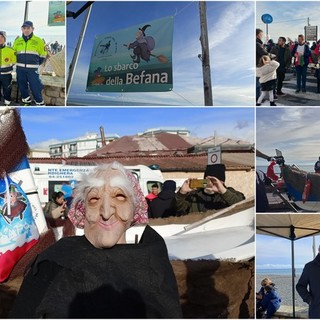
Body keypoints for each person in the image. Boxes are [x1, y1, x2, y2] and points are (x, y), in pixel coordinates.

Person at [9, 162, 182, 318]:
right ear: (82, 211)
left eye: (120, 197)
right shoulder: (54, 262)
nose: (106, 213)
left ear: (134, 209)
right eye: (94, 199)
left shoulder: (152, 261)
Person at [173, 164, 245, 215]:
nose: (209, 183)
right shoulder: (194, 195)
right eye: (207, 180)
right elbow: (179, 209)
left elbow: (242, 205)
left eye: (213, 180)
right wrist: (182, 193)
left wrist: (223, 191)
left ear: (222, 182)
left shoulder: (230, 193)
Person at [13, 21, 47, 106]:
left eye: (28, 28)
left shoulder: (38, 41)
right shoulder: (17, 41)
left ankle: (40, 103)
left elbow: (43, 54)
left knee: (36, 87)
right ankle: (26, 102)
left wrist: (36, 64)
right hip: (20, 69)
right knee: (22, 87)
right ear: (22, 29)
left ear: (33, 29)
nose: (26, 30)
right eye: (24, 28)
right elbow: (14, 53)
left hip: (32, 70)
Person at [296, 245, 320, 319]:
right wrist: (309, 299)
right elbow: (300, 286)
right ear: (319, 250)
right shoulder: (310, 266)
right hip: (317, 311)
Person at [0, 31, 16, 106]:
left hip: (6, 75)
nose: (0, 39)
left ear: (5, 39)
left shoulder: (10, 50)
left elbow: (14, 61)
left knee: (7, 90)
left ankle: (7, 103)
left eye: (2, 37)